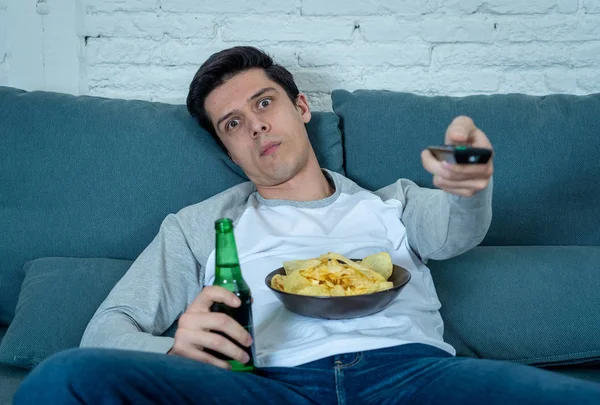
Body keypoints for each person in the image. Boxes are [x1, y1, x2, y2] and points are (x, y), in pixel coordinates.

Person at [14, 46, 600, 405]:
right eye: (233, 123)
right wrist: (170, 351)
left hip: (413, 376)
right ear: (227, 147)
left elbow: (456, 232)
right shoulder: (200, 227)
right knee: (62, 379)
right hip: (265, 387)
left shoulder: (391, 203)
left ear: (299, 108)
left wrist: (471, 184)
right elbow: (106, 328)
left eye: (265, 104)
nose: (256, 128)